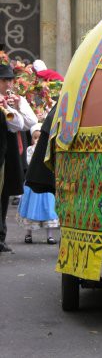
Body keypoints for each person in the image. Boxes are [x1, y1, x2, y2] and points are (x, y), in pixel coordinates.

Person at [0, 61, 38, 252]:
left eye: (10, 81)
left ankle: (1, 237)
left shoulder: (15, 100)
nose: (8, 85)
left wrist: (18, 105)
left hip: (8, 154)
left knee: (4, 194)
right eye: (4, 81)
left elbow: (26, 123)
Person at [16, 123, 59, 244]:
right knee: (30, 208)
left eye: (40, 137)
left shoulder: (48, 149)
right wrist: (35, 151)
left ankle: (49, 235)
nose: (38, 140)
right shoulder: (30, 150)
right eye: (35, 138)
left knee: (49, 209)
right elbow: (28, 162)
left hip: (46, 181)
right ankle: (28, 234)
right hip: (33, 182)